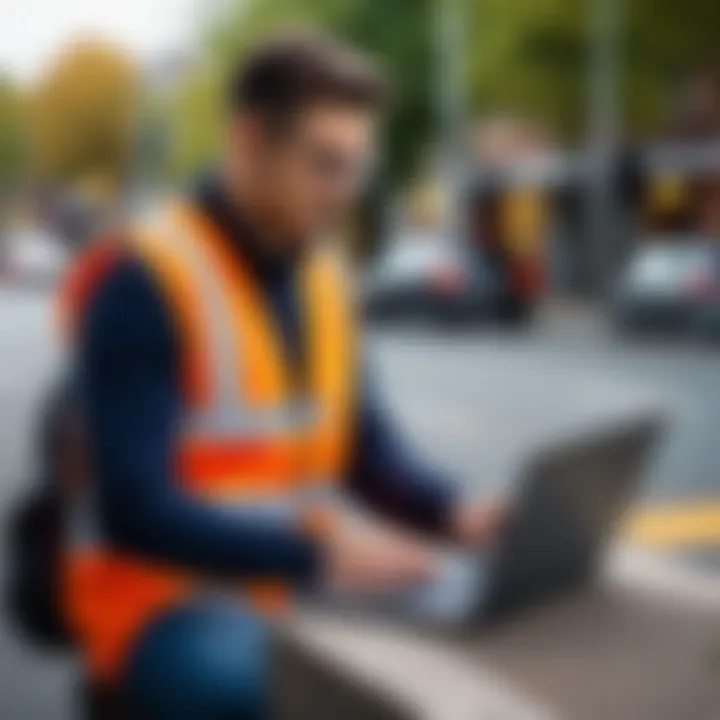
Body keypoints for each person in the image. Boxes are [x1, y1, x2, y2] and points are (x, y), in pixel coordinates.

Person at [60, 31, 506, 719]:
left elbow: (368, 448)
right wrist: (321, 558)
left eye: (356, 169)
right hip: (162, 607)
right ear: (248, 139)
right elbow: (133, 510)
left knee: (483, 629)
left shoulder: (325, 277)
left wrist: (454, 511)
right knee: (324, 697)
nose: (343, 193)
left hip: (294, 583)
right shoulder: (143, 278)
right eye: (324, 164)